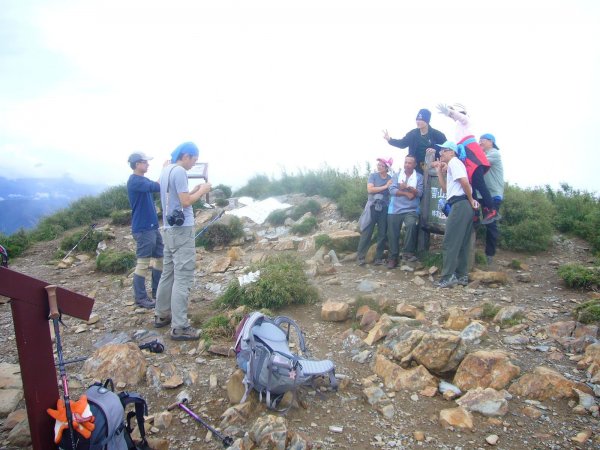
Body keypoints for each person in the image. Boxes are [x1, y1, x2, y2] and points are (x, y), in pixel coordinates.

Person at [154, 142, 212, 341]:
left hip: (168, 230)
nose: (193, 164)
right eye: (194, 160)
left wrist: (194, 189)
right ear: (186, 155)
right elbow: (186, 202)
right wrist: (203, 190)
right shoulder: (179, 171)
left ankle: (161, 314)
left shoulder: (166, 170)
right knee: (183, 276)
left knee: (168, 273)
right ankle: (179, 326)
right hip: (182, 230)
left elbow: (179, 198)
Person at [436, 103, 499, 224]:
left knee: (479, 184)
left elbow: (461, 117)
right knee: (472, 186)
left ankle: (492, 209)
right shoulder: (459, 126)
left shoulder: (466, 122)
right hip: (467, 158)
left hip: (473, 156)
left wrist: (450, 112)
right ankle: (475, 213)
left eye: (455, 112)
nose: (454, 115)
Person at [431, 141, 479, 288]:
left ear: (452, 152)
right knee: (463, 242)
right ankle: (461, 276)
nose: (441, 153)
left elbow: (464, 182)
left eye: (444, 150)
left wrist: (471, 199)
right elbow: (446, 190)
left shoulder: (454, 163)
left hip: (460, 204)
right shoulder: (453, 164)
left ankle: (448, 276)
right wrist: (439, 171)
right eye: (441, 151)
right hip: (462, 205)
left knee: (450, 241)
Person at [126, 152, 163, 309]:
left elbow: (154, 186)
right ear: (136, 164)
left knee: (161, 258)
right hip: (143, 228)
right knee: (143, 263)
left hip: (152, 227)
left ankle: (157, 292)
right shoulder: (134, 181)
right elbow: (157, 186)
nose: (148, 164)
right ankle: (140, 298)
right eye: (145, 162)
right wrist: (165, 170)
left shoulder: (142, 180)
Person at [386, 155, 423, 269]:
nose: (407, 165)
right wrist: (406, 193)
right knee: (393, 233)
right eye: (405, 162)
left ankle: (408, 252)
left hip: (411, 209)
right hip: (395, 209)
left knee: (411, 224)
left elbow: (420, 193)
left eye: (410, 163)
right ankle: (393, 257)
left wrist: (406, 187)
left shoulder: (419, 177)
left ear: (414, 165)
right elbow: (391, 190)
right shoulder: (397, 175)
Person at [383, 109, 447, 174]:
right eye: (417, 119)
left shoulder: (438, 135)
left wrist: (435, 149)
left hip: (432, 165)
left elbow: (447, 148)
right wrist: (390, 140)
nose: (418, 122)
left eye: (421, 120)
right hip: (415, 166)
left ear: (427, 121)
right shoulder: (412, 134)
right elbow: (402, 144)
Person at [356, 157, 393, 266]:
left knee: (382, 233)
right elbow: (370, 189)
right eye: (378, 165)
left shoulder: (391, 178)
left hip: (384, 207)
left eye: (381, 165)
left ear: (387, 168)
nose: (379, 167)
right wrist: (386, 186)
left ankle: (378, 258)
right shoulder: (373, 176)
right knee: (367, 231)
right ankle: (360, 257)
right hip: (372, 206)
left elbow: (392, 191)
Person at [479, 133, 504, 266]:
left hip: (493, 195)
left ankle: (489, 255)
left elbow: (479, 164)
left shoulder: (494, 153)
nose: (480, 142)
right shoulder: (483, 153)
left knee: (490, 224)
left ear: (491, 142)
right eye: (479, 140)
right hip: (482, 195)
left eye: (482, 140)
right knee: (473, 220)